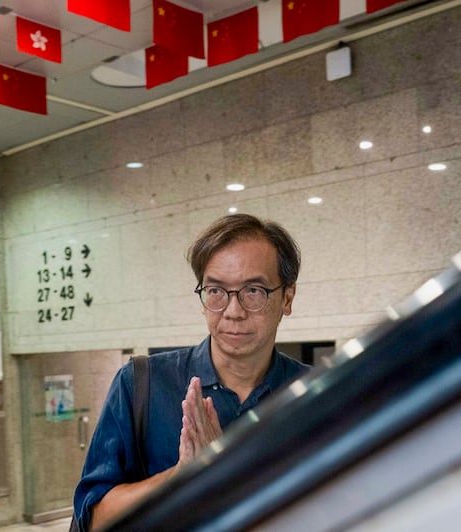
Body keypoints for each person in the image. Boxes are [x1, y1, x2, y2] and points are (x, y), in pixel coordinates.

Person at [73, 213, 308, 531]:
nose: (233, 311)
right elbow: (95, 519)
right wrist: (182, 474)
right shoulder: (141, 384)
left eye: (254, 291)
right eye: (216, 291)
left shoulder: (315, 391)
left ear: (287, 297)